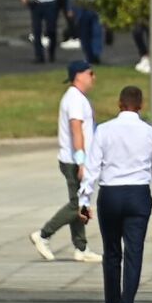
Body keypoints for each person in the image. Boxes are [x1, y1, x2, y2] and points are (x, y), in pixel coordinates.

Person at [77, 85, 152, 303]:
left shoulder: (105, 131)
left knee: (111, 252)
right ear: (140, 106)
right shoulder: (150, 133)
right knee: (134, 252)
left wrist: (84, 200)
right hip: (138, 194)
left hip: (110, 194)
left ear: (119, 104)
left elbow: (93, 166)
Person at [31, 61, 101, 263]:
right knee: (78, 203)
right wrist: (82, 161)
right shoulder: (74, 99)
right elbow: (75, 129)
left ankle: (81, 247)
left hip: (77, 159)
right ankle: (43, 235)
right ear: (79, 76)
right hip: (74, 160)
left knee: (81, 202)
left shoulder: (78, 98)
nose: (93, 77)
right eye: (91, 73)